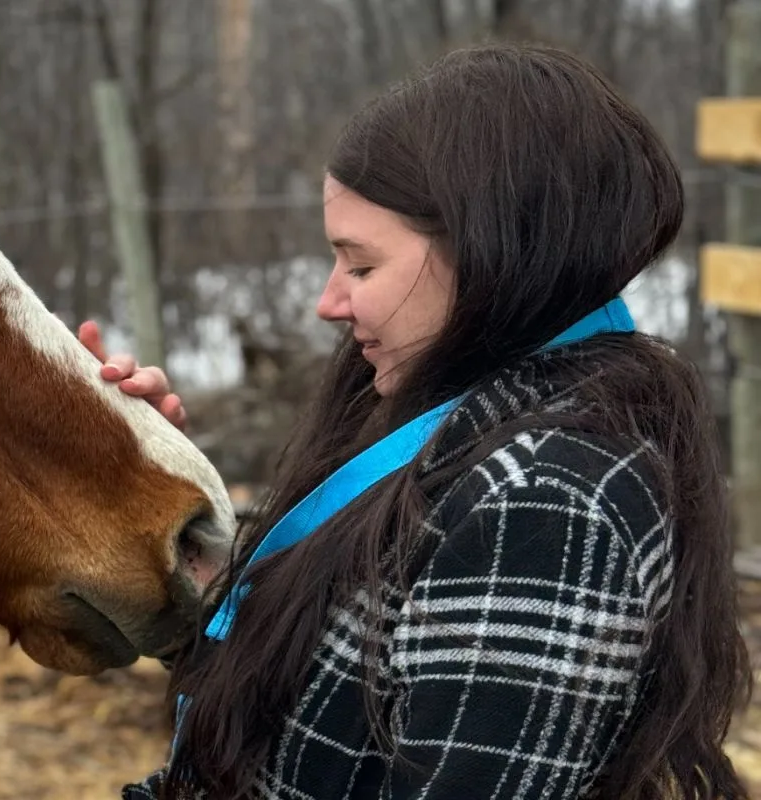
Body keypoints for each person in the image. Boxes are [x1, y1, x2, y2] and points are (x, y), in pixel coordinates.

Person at [79, 42, 752, 799]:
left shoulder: (543, 507)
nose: (328, 302)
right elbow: (322, 684)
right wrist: (157, 502)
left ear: (493, 256)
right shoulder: (457, 415)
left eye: (361, 265)